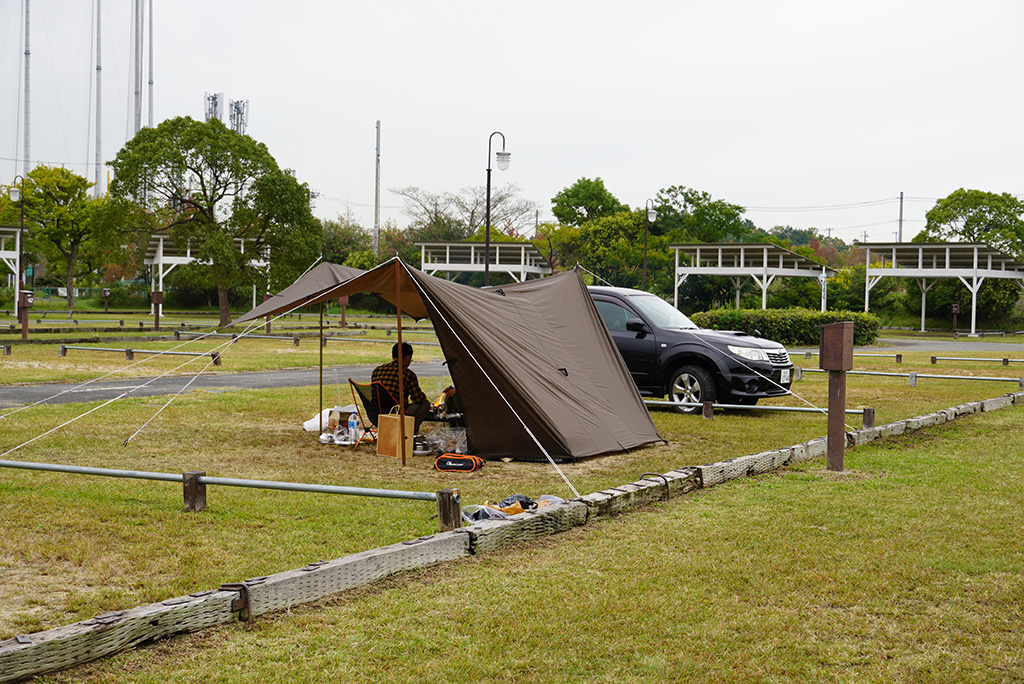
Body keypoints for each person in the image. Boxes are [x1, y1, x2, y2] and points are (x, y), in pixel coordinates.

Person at [371, 342, 432, 433]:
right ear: (407, 357)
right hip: (396, 413)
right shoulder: (407, 374)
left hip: (376, 414)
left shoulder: (377, 370)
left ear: (393, 356)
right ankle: (407, 432)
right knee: (425, 404)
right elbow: (418, 399)